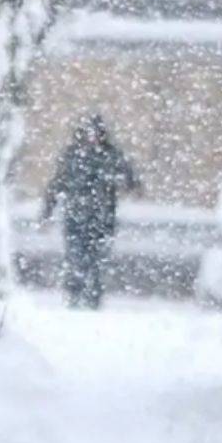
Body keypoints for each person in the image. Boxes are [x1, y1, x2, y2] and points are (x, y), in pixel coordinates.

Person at [41, 113, 140, 309]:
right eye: (89, 132)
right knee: (75, 259)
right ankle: (75, 296)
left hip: (102, 220)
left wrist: (124, 182)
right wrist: (48, 210)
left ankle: (93, 298)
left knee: (96, 262)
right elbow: (58, 183)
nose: (92, 137)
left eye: (95, 133)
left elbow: (129, 179)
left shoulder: (111, 155)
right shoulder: (72, 155)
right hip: (75, 218)